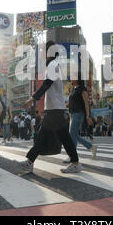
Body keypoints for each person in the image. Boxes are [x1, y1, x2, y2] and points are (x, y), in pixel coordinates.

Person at [19, 41, 81, 174]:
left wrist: (32, 99)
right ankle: (75, 163)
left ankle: (30, 161)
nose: (43, 54)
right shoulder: (52, 65)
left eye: (44, 51)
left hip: (54, 109)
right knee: (60, 136)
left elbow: (47, 84)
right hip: (54, 108)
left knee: (46, 136)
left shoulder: (53, 65)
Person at [64, 78, 97, 163]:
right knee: (75, 135)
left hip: (79, 114)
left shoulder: (82, 89)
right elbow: (69, 103)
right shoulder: (73, 89)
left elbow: (86, 103)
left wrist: (88, 116)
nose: (71, 79)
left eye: (73, 77)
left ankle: (72, 156)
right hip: (72, 114)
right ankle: (91, 147)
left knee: (72, 135)